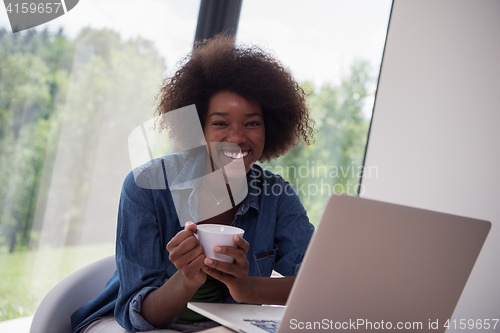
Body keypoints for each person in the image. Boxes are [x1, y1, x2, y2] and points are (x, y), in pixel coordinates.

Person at [71, 34, 315, 333]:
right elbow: (142, 318)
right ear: (198, 128)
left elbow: (318, 285)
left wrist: (249, 288)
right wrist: (186, 279)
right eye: (221, 123)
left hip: (220, 326)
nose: (237, 137)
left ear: (270, 128)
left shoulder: (276, 196)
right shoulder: (145, 187)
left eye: (252, 123)